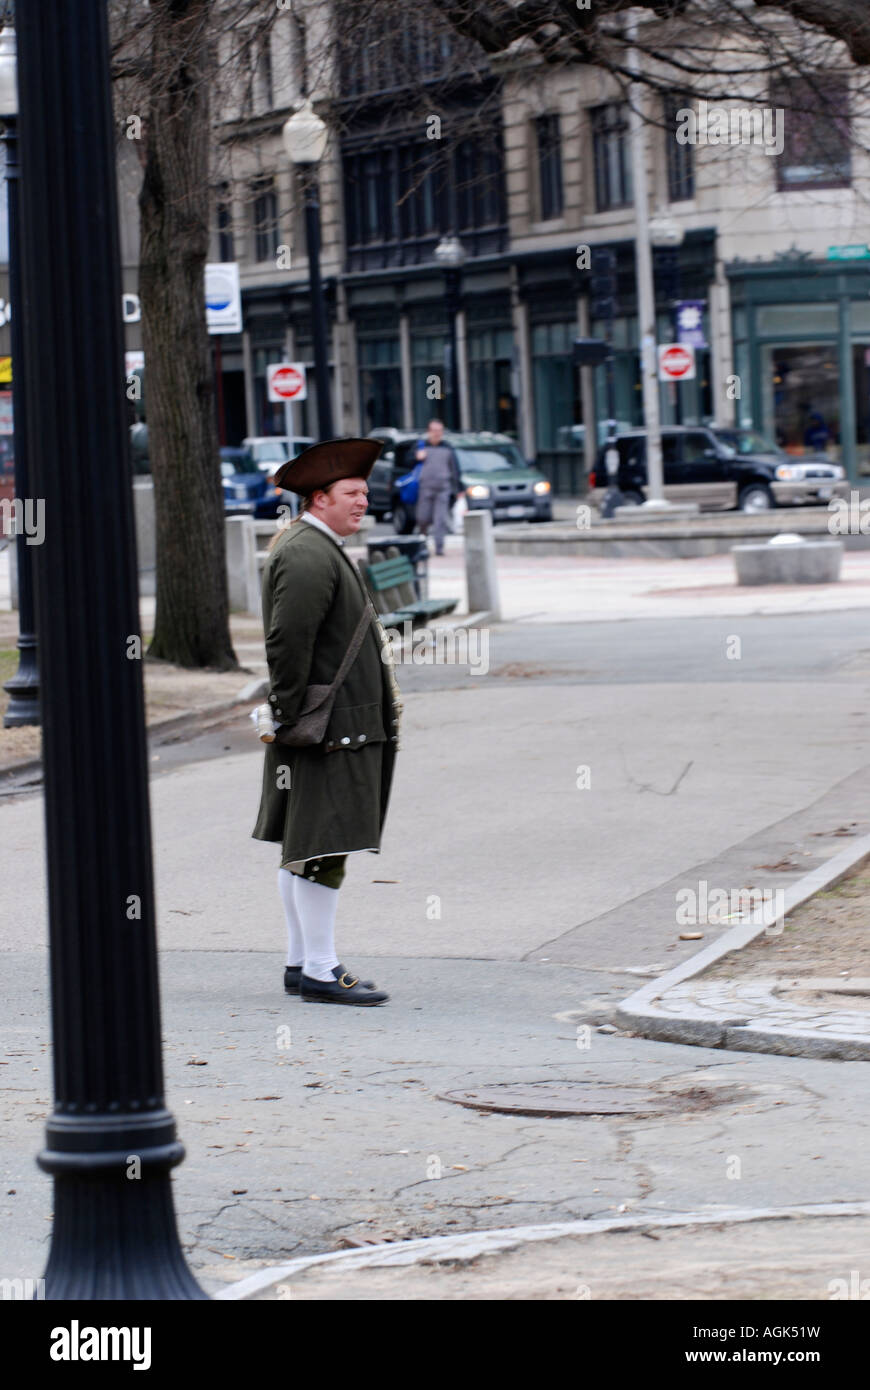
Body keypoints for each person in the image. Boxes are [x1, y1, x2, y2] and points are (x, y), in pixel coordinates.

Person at [251, 437, 402, 1006]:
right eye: (351, 493)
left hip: (330, 725)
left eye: (365, 493)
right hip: (328, 728)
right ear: (319, 498)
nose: (363, 502)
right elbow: (288, 642)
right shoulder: (310, 552)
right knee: (322, 847)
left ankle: (300, 963)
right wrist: (287, 713)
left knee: (305, 844)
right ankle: (319, 968)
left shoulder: (318, 545)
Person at [414, 417, 463, 556]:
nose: (437, 433)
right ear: (429, 431)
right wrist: (416, 457)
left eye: (439, 431)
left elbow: (455, 469)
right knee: (422, 518)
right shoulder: (421, 446)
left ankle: (439, 547)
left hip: (443, 488)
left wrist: (459, 489)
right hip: (425, 488)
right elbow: (405, 462)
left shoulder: (447, 447)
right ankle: (422, 542)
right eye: (434, 430)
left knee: (440, 519)